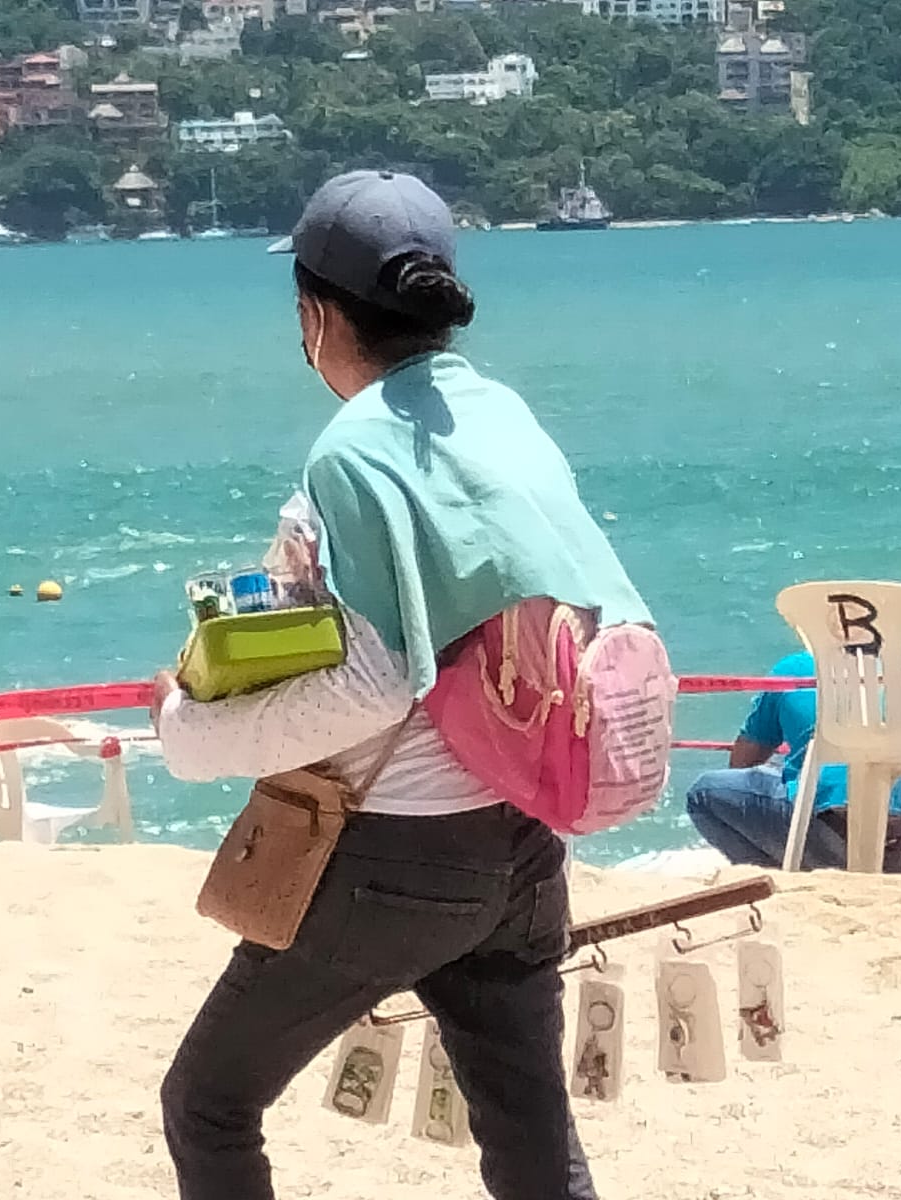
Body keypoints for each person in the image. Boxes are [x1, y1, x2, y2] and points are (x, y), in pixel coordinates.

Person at [151, 171, 651, 1200]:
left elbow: (376, 685)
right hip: (518, 837)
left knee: (207, 1101)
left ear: (315, 313)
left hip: (398, 855)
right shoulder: (500, 413)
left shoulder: (352, 452)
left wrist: (189, 733)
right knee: (530, 1141)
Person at [685, 651, 901, 872]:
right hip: (896, 848)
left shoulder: (796, 671)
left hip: (824, 829)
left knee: (702, 793)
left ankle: (776, 874)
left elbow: (742, 763)